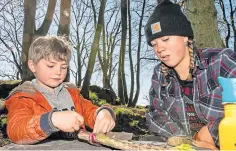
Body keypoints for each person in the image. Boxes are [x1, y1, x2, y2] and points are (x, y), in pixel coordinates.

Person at [144, 0, 236, 150]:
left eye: (165, 39)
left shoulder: (222, 62)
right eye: (154, 44)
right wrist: (186, 140)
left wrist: (212, 132)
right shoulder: (159, 76)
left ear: (185, 37)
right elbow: (155, 115)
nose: (159, 48)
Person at [5, 36, 116, 144]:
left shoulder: (72, 93)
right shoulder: (23, 96)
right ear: (32, 65)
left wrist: (103, 113)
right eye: (50, 66)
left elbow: (90, 111)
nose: (58, 72)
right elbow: (16, 130)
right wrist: (51, 121)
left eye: (63, 67)